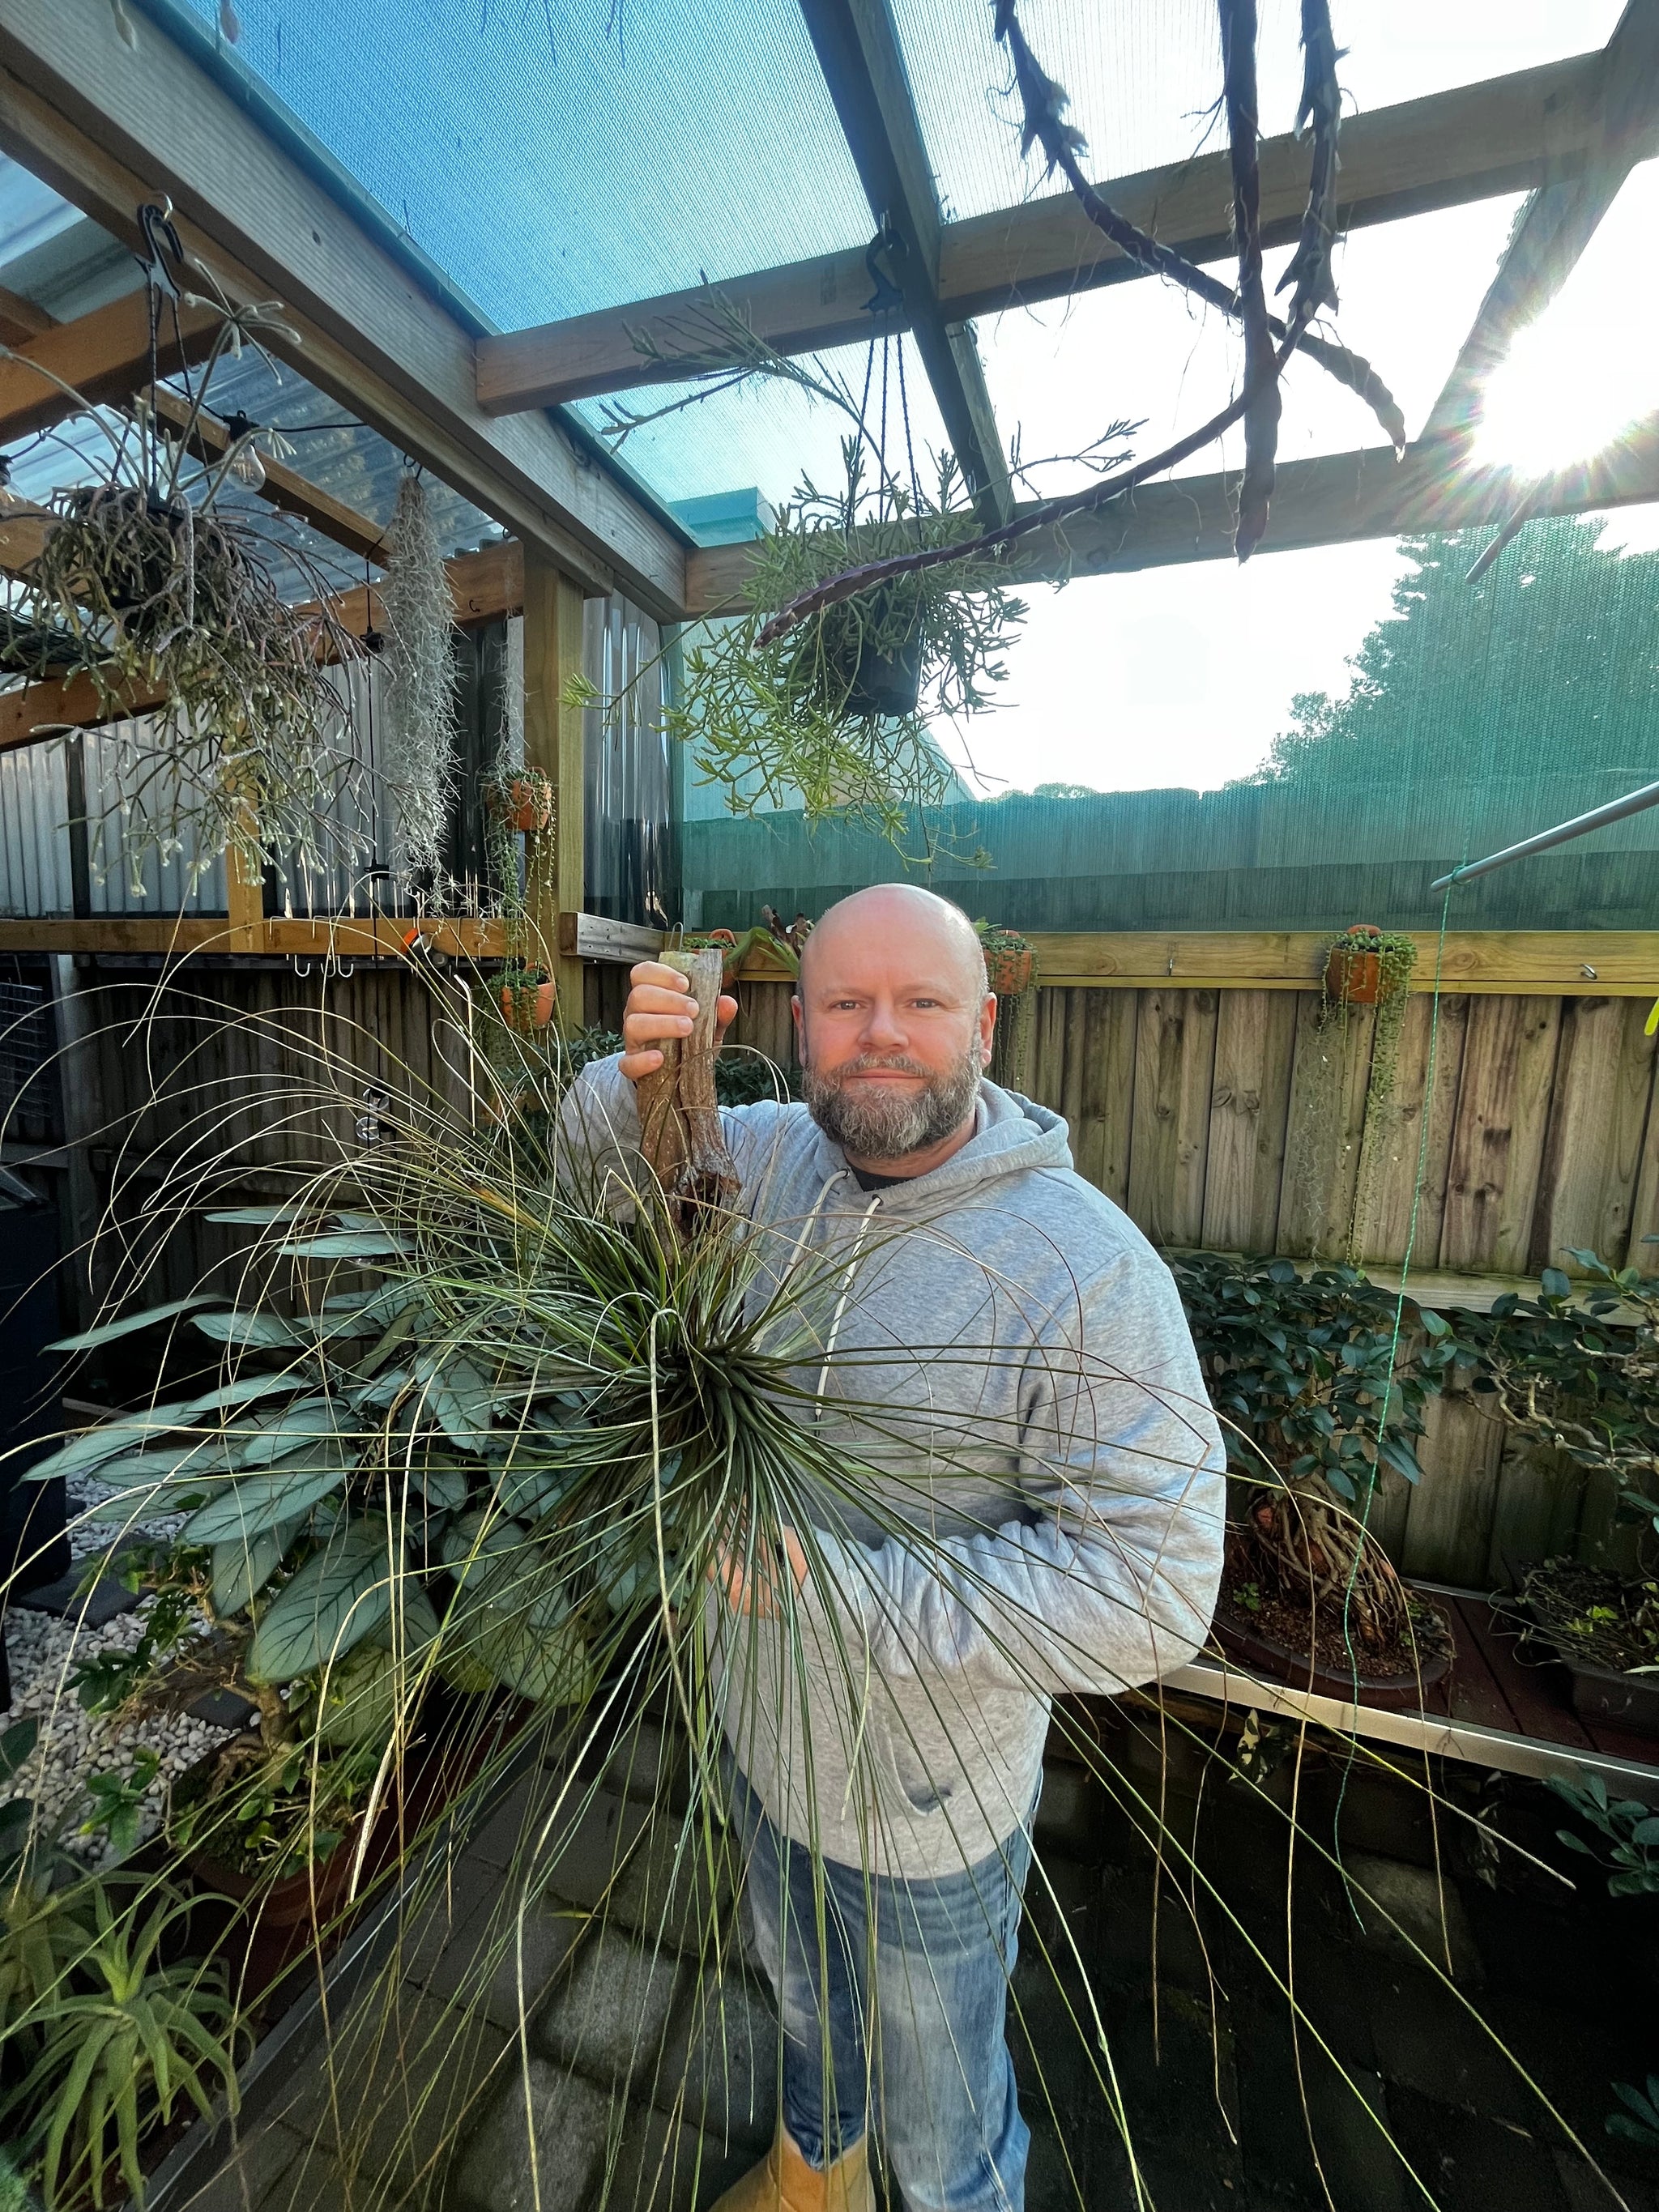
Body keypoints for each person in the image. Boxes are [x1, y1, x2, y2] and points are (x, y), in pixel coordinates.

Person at [561, 884, 1225, 2212]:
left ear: (983, 1024)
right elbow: (593, 1182)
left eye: (920, 1003)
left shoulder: (1085, 1272)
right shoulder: (754, 1163)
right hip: (757, 1731)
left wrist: (839, 1594)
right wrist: (619, 1078)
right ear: (796, 1027)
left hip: (927, 1813)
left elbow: (1155, 1593)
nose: (881, 1036)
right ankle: (814, 2178)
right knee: (806, 2015)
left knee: (944, 2126)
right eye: (846, 1004)